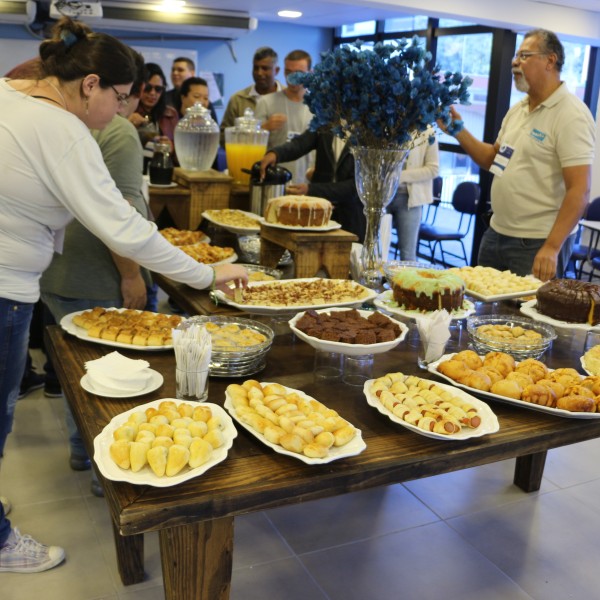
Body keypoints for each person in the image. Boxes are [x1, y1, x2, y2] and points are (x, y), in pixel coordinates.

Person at [0, 17, 247, 574]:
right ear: (89, 84)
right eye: (118, 97)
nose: (121, 111)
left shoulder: (12, 92)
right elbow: (125, 227)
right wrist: (208, 275)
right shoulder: (61, 129)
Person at [40, 50, 153, 497]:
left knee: (74, 367)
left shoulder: (59, 124)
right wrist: (132, 275)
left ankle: (78, 448)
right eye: (123, 94)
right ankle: (105, 469)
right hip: (96, 272)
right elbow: (121, 215)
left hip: (56, 272)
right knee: (108, 377)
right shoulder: (119, 133)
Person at [440, 28, 595, 281]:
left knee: (526, 318)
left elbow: (579, 190)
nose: (514, 62)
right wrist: (458, 131)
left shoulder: (571, 115)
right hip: (496, 233)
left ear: (550, 60)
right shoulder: (518, 110)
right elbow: (493, 159)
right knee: (485, 316)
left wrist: (552, 247)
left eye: (524, 55)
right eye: (516, 56)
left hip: (535, 244)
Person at [260, 131, 366, 242]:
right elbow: (300, 143)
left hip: (353, 219)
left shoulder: (367, 132)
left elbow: (356, 187)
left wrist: (311, 190)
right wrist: (276, 154)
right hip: (318, 218)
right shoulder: (326, 122)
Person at [255, 50, 314, 184]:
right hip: (274, 180)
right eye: (288, 73)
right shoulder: (265, 102)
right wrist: (265, 127)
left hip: (309, 182)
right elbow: (251, 143)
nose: (293, 78)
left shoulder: (320, 107)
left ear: (310, 73)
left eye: (299, 73)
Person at [387, 128, 439, 262]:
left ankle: (406, 283)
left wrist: (400, 176)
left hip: (409, 199)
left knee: (408, 254)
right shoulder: (388, 123)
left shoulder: (427, 132)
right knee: (377, 248)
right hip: (384, 194)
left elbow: (433, 169)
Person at [220, 46, 282, 146]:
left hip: (281, 160)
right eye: (256, 68)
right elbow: (223, 138)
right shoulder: (238, 100)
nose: (259, 73)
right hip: (247, 159)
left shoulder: (287, 97)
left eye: (265, 68)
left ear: (277, 70)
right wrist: (260, 129)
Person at [129, 62, 178, 151]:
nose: (152, 93)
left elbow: (181, 148)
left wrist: (171, 147)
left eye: (158, 89)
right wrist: (127, 124)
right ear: (139, 87)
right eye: (148, 88)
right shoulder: (128, 111)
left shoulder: (171, 114)